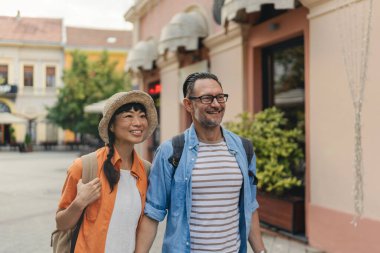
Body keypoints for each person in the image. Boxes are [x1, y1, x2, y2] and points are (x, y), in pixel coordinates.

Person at [136, 72, 266, 253]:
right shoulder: (171, 151)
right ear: (188, 104)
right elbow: (153, 213)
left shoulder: (244, 149)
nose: (216, 104)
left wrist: (261, 251)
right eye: (207, 98)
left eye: (220, 97)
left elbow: (250, 207)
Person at [55, 90, 158, 253]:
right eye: (128, 116)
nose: (138, 122)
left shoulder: (146, 171)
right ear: (111, 125)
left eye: (142, 116)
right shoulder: (84, 167)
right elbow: (61, 224)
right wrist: (80, 202)